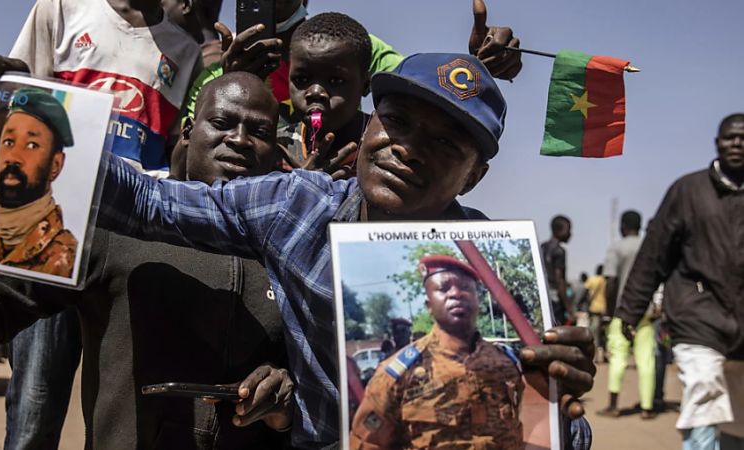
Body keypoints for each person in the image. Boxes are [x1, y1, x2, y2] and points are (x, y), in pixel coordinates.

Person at [94, 53, 595, 448]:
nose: (408, 148)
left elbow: (554, 434)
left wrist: (553, 398)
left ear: (474, 176)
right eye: (396, 120)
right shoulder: (297, 207)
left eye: (444, 142)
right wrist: (39, 122)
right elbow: (148, 200)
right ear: (371, 123)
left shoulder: (498, 272)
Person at [0, 72, 295, 449]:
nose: (239, 140)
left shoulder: (295, 248)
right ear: (187, 132)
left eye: (258, 131)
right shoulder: (106, 230)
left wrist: (288, 401)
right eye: (221, 122)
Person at [0, 2, 205, 444]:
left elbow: (176, 153)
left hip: (129, 250)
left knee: (122, 416)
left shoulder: (186, 48)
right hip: (50, 243)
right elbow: (19, 88)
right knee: (35, 405)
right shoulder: (63, 8)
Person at [616, 114, 744, 449]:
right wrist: (629, 312)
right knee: (704, 391)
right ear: (717, 143)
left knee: (737, 415)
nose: (737, 144)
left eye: (743, 138)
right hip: (698, 315)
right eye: (730, 138)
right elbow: (653, 254)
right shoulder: (688, 191)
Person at [181, 0, 522, 125]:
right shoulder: (214, 70)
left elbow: (425, 96)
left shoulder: (356, 48)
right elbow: (190, 162)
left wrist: (472, 71)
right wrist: (231, 88)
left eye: (337, 80)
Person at [350, 255, 531, 448]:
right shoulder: (398, 373)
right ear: (429, 306)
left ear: (478, 301)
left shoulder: (505, 362)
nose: (456, 294)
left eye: (466, 288)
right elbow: (365, 443)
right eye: (444, 289)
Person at [0, 88, 77, 278]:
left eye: (31, 145)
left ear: (55, 165)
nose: (13, 157)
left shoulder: (68, 261)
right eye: (9, 142)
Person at [275, 12, 367, 178]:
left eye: (336, 81)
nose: (315, 93)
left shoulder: (383, 148)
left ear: (365, 85)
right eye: (301, 79)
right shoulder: (278, 147)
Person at [598, 210, 657, 419]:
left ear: (623, 226)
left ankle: (614, 406)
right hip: (646, 312)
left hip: (621, 312)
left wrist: (609, 313)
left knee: (618, 358)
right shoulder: (648, 246)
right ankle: (647, 408)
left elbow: (611, 280)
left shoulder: (617, 247)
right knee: (646, 360)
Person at [542, 215, 572, 324]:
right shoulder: (560, 251)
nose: (570, 234)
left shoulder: (542, 247)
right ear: (560, 231)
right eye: (569, 230)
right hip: (554, 297)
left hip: (542, 294)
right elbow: (560, 280)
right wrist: (568, 308)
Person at [584, 266, 607, 362]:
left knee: (593, 334)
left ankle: (593, 357)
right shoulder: (604, 280)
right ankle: (600, 357)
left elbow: (586, 293)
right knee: (601, 334)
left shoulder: (591, 280)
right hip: (603, 310)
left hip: (593, 309)